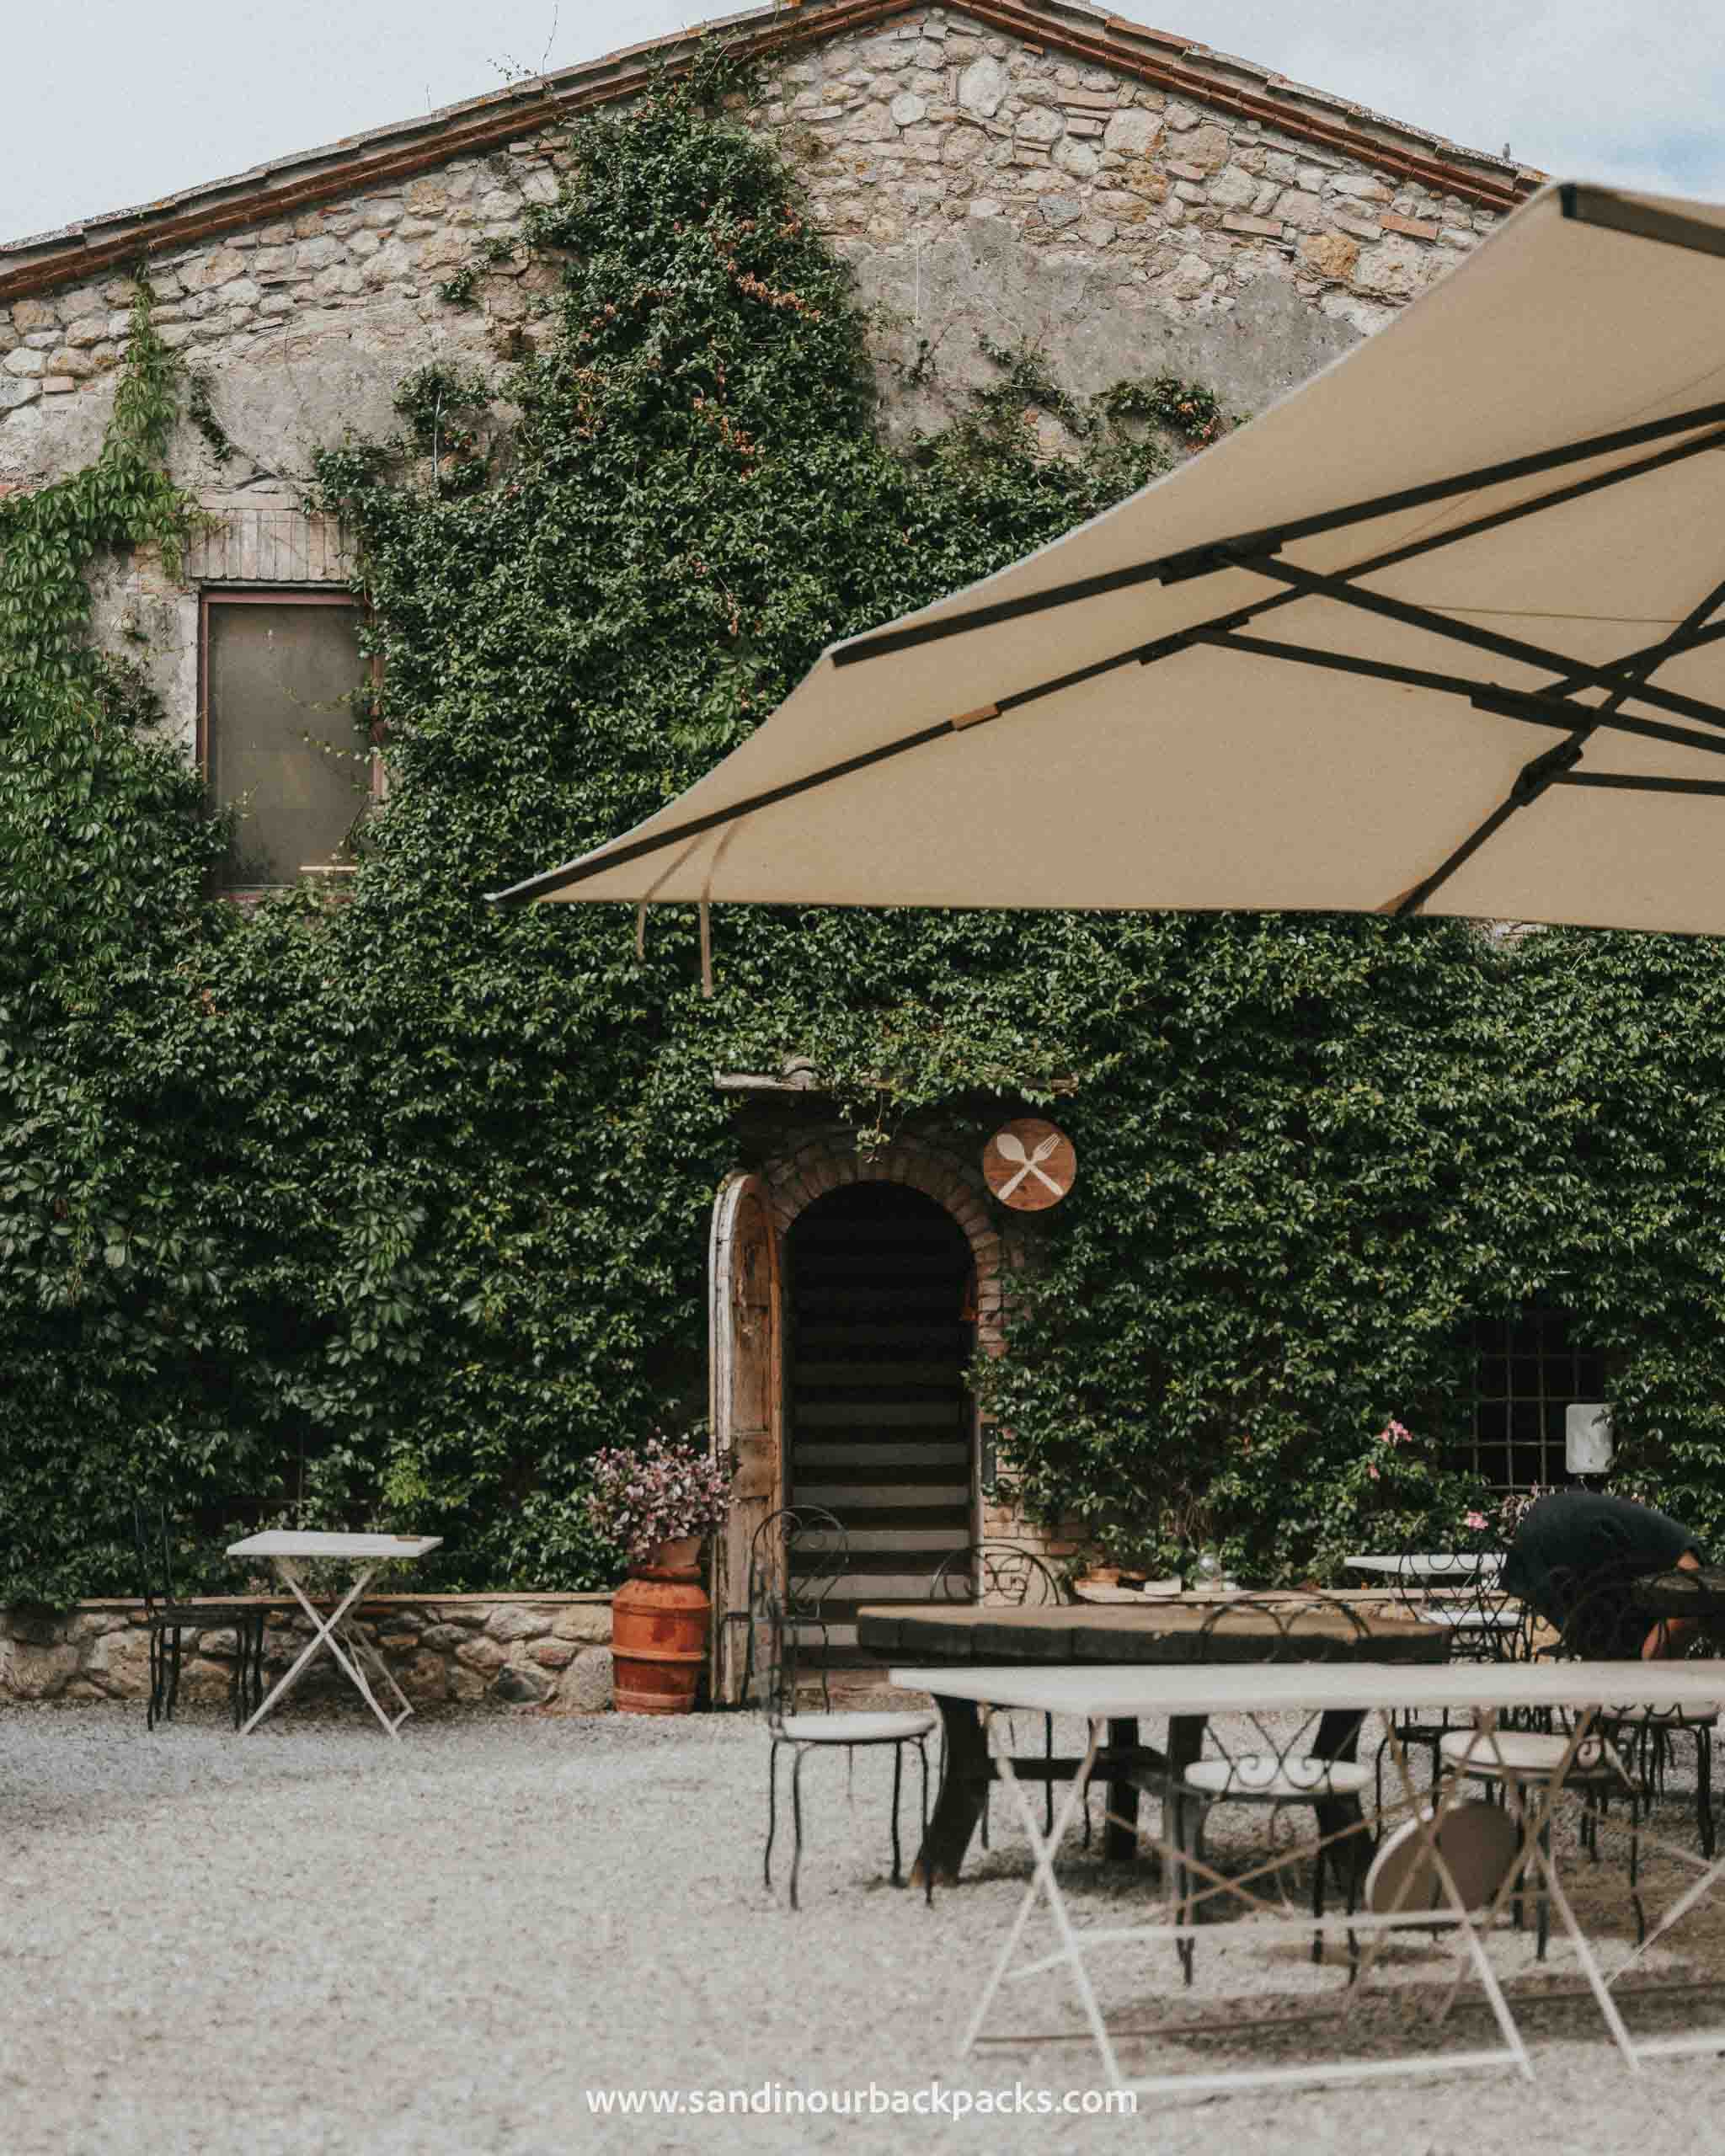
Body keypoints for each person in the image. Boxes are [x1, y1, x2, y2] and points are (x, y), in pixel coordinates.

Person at [1501, 1489, 1705, 1659]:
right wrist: (1651, 1676)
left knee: (1599, 1635)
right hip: (1568, 1528)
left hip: (1547, 1520)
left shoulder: (1671, 1544)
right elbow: (1689, 1605)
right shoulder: (1697, 1569)